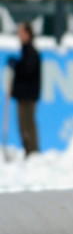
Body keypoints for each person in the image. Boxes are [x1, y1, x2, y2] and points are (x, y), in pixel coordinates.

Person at [7, 22, 41, 156]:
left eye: (21, 32)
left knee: (27, 125)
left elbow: (27, 70)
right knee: (23, 125)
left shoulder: (31, 52)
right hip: (24, 95)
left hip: (28, 96)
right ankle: (29, 151)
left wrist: (16, 65)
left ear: (27, 34)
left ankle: (32, 152)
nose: (18, 35)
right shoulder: (25, 51)